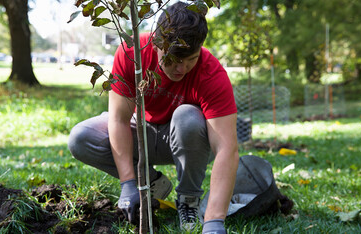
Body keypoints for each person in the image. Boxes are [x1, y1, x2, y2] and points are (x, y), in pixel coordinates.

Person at [68, 2, 239, 233]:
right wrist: (128, 183)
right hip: (141, 132)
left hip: (186, 141)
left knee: (187, 116)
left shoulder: (211, 73)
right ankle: (153, 182)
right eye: (174, 59)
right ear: (157, 42)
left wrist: (214, 221)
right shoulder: (132, 53)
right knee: (81, 137)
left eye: (190, 59)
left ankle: (188, 199)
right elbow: (118, 119)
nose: (182, 68)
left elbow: (227, 149)